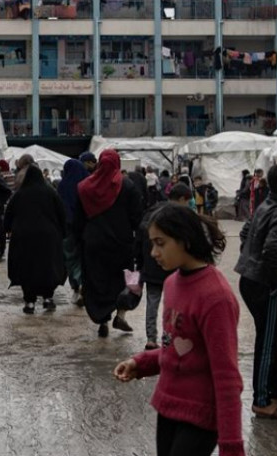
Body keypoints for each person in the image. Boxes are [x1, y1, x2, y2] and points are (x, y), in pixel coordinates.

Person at [114, 203, 244, 456]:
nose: (153, 252)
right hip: (168, 407)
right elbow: (175, 347)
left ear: (184, 240)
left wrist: (231, 447)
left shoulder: (216, 297)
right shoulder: (173, 283)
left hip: (200, 417)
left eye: (160, 243)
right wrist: (141, 363)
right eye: (152, 244)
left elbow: (227, 377)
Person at [234, 163, 277, 421]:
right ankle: (262, 401)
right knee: (268, 342)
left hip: (251, 279)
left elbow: (244, 232)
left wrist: (251, 259)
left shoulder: (265, 205)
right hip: (266, 286)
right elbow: (272, 250)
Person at [73, 148, 144, 338]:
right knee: (125, 280)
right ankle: (120, 314)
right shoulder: (127, 186)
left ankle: (102, 319)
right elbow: (137, 216)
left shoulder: (84, 187)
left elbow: (78, 219)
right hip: (121, 244)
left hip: (94, 244)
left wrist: (79, 241)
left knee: (98, 281)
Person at [5, 162, 68, 313]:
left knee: (27, 268)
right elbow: (62, 213)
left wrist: (7, 229)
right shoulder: (50, 192)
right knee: (48, 267)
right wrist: (63, 233)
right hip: (48, 237)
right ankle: (48, 298)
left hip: (23, 237)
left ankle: (29, 302)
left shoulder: (20, 194)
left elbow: (8, 214)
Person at [138, 183, 192, 349]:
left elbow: (140, 237)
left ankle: (151, 339)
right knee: (173, 304)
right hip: (171, 268)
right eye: (187, 201)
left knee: (152, 302)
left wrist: (141, 264)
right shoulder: (178, 216)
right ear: (182, 199)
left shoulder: (152, 211)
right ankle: (168, 338)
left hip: (151, 266)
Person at [58, 157, 91, 304]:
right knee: (84, 256)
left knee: (71, 257)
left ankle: (76, 286)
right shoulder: (88, 184)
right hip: (85, 227)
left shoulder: (62, 186)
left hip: (67, 227)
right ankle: (84, 284)